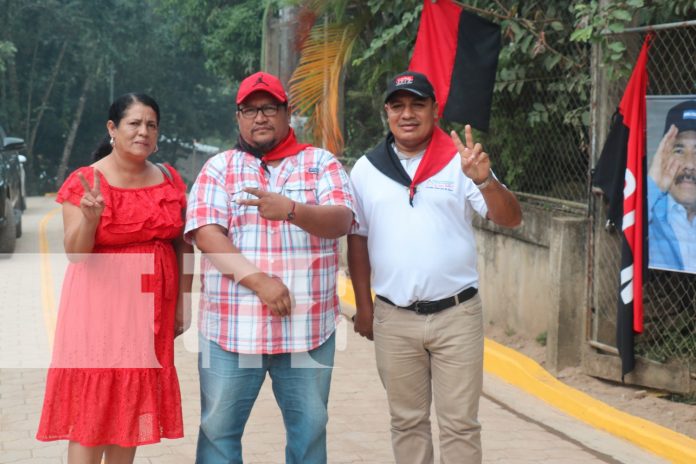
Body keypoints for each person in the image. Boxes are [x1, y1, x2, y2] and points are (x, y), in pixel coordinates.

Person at [347, 71, 522, 464]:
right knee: (406, 422)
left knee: (460, 424)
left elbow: (510, 218)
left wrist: (485, 182)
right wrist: (365, 306)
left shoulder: (459, 162)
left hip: (456, 315)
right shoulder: (366, 169)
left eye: (417, 104)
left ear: (434, 110)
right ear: (386, 113)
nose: (407, 114)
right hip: (394, 317)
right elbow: (357, 239)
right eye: (398, 105)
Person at [185, 71, 355, 464]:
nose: (259, 117)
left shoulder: (319, 163)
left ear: (286, 113)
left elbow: (342, 220)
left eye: (269, 108)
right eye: (250, 109)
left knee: (309, 437)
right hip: (231, 332)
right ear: (238, 118)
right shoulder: (219, 168)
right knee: (218, 437)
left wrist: (292, 210)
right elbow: (209, 235)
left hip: (306, 332)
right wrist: (261, 282)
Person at [36, 93, 192, 463]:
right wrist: (90, 220)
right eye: (134, 123)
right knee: (93, 410)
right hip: (99, 315)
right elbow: (75, 252)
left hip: (150, 313)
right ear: (112, 128)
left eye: (151, 125)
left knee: (130, 405)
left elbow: (183, 246)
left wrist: (182, 304)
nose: (143, 132)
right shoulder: (86, 180)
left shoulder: (169, 178)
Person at [648, 99, 696, 273]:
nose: (690, 164)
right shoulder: (650, 213)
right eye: (679, 150)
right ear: (664, 156)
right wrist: (653, 185)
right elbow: (628, 232)